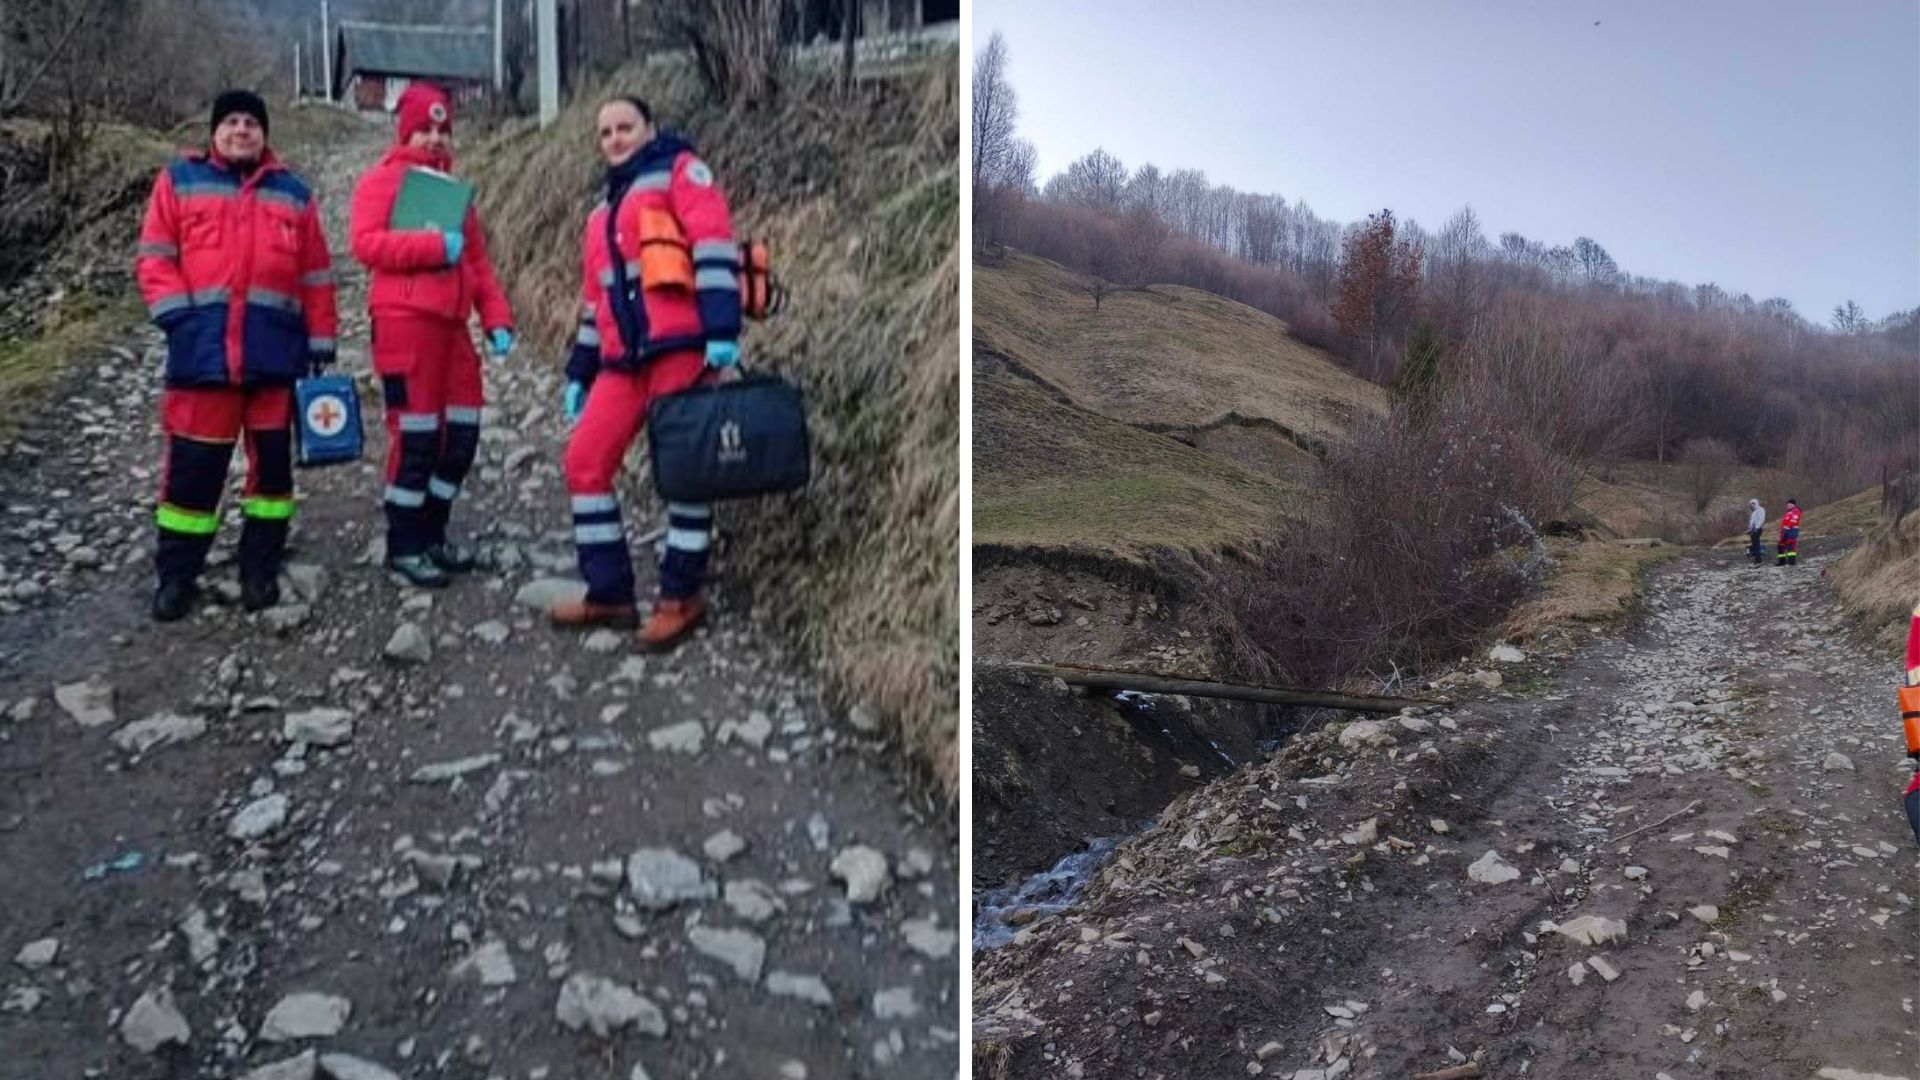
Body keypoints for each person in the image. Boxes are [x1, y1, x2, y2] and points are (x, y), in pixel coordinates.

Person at [136, 89, 338, 622]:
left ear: (265, 134)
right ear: (214, 131)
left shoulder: (294, 193)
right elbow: (156, 258)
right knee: (192, 475)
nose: (242, 130)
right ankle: (177, 577)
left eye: (252, 122)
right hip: (202, 359)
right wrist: (179, 320)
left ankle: (259, 570)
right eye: (231, 121)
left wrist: (321, 339)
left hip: (274, 359)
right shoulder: (178, 181)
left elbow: (316, 276)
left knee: (271, 477)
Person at [549, 95, 743, 650]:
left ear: (649, 128)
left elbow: (712, 246)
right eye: (605, 131)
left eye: (625, 127)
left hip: (680, 347)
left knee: (683, 472)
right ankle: (608, 593)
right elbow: (596, 303)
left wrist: (722, 330)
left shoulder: (683, 172)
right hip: (622, 362)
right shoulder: (599, 214)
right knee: (584, 463)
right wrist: (580, 370)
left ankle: (681, 597)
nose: (614, 138)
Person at [349, 82, 515, 587]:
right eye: (425, 129)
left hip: (451, 327)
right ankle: (405, 544)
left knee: (461, 435)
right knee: (418, 437)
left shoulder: (451, 191)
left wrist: (497, 318)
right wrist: (430, 245)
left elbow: (477, 262)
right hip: (404, 324)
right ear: (406, 132)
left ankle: (434, 535)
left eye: (443, 130)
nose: (435, 139)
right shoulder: (383, 181)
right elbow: (366, 244)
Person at [1776, 498, 1802, 567]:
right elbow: (1784, 522)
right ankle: (1782, 561)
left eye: (1790, 504)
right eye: (1788, 504)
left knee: (1791, 545)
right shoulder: (1788, 512)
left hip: (1792, 530)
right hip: (1785, 531)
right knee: (1780, 545)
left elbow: (1794, 520)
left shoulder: (1796, 510)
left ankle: (1791, 562)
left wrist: (1788, 526)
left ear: (1794, 504)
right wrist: (1782, 531)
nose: (1788, 505)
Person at [1746, 498, 1766, 566]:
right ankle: (1757, 560)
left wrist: (1756, 528)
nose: (1751, 506)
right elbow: (1752, 522)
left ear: (1755, 503)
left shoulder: (1760, 510)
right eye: (1750, 505)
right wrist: (1750, 529)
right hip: (1753, 530)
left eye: (1752, 504)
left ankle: (1758, 561)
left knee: (1756, 545)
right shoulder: (1754, 512)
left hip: (1757, 529)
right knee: (1754, 545)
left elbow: (1761, 520)